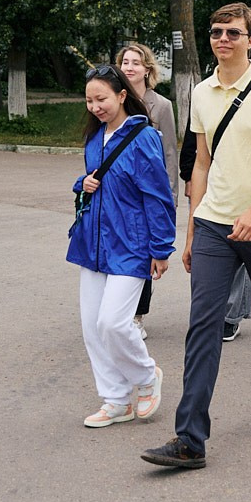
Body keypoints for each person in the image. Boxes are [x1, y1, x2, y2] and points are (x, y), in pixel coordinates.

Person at [142, 3, 251, 470]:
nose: (222, 39)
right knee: (203, 324)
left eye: (233, 33)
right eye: (216, 32)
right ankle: (189, 438)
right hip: (214, 223)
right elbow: (200, 162)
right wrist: (192, 228)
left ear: (250, 40)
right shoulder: (201, 91)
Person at [70, 66, 175, 428]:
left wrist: (160, 248)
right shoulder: (94, 136)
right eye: (89, 101)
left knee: (113, 323)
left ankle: (146, 376)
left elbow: (158, 196)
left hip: (131, 244)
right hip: (92, 242)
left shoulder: (143, 137)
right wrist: (82, 182)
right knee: (92, 327)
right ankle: (115, 400)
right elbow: (96, 181)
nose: (95, 107)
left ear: (121, 95)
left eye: (101, 99)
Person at [117, 41, 180, 334]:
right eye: (125, 62)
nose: (129, 67)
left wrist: (170, 195)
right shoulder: (114, 100)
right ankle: (119, 311)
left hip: (149, 193)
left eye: (135, 62)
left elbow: (169, 152)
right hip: (120, 193)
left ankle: (137, 317)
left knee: (144, 254)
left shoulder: (162, 106)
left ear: (147, 69)